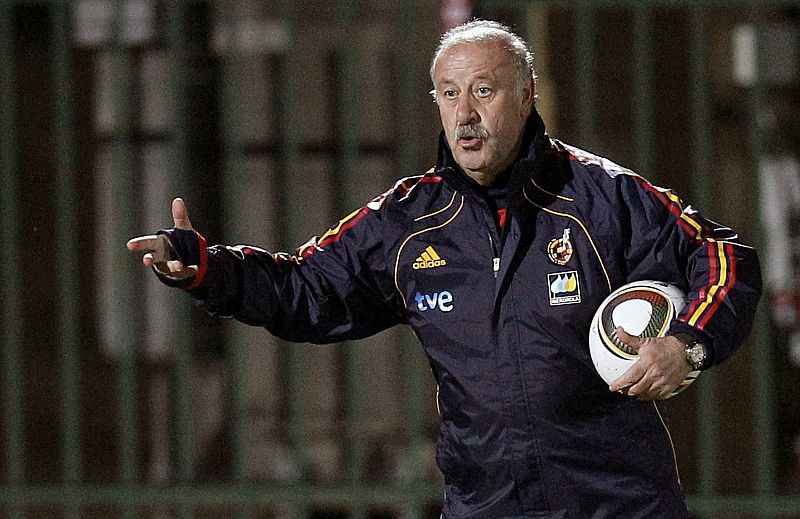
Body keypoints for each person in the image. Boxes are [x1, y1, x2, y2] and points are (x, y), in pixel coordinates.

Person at [128, 20, 762, 518]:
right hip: (486, 505)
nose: (465, 114)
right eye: (450, 93)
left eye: (483, 90)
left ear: (527, 93)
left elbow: (727, 260)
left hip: (618, 504)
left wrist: (688, 344)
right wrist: (207, 269)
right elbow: (305, 289)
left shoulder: (603, 197)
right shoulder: (407, 221)